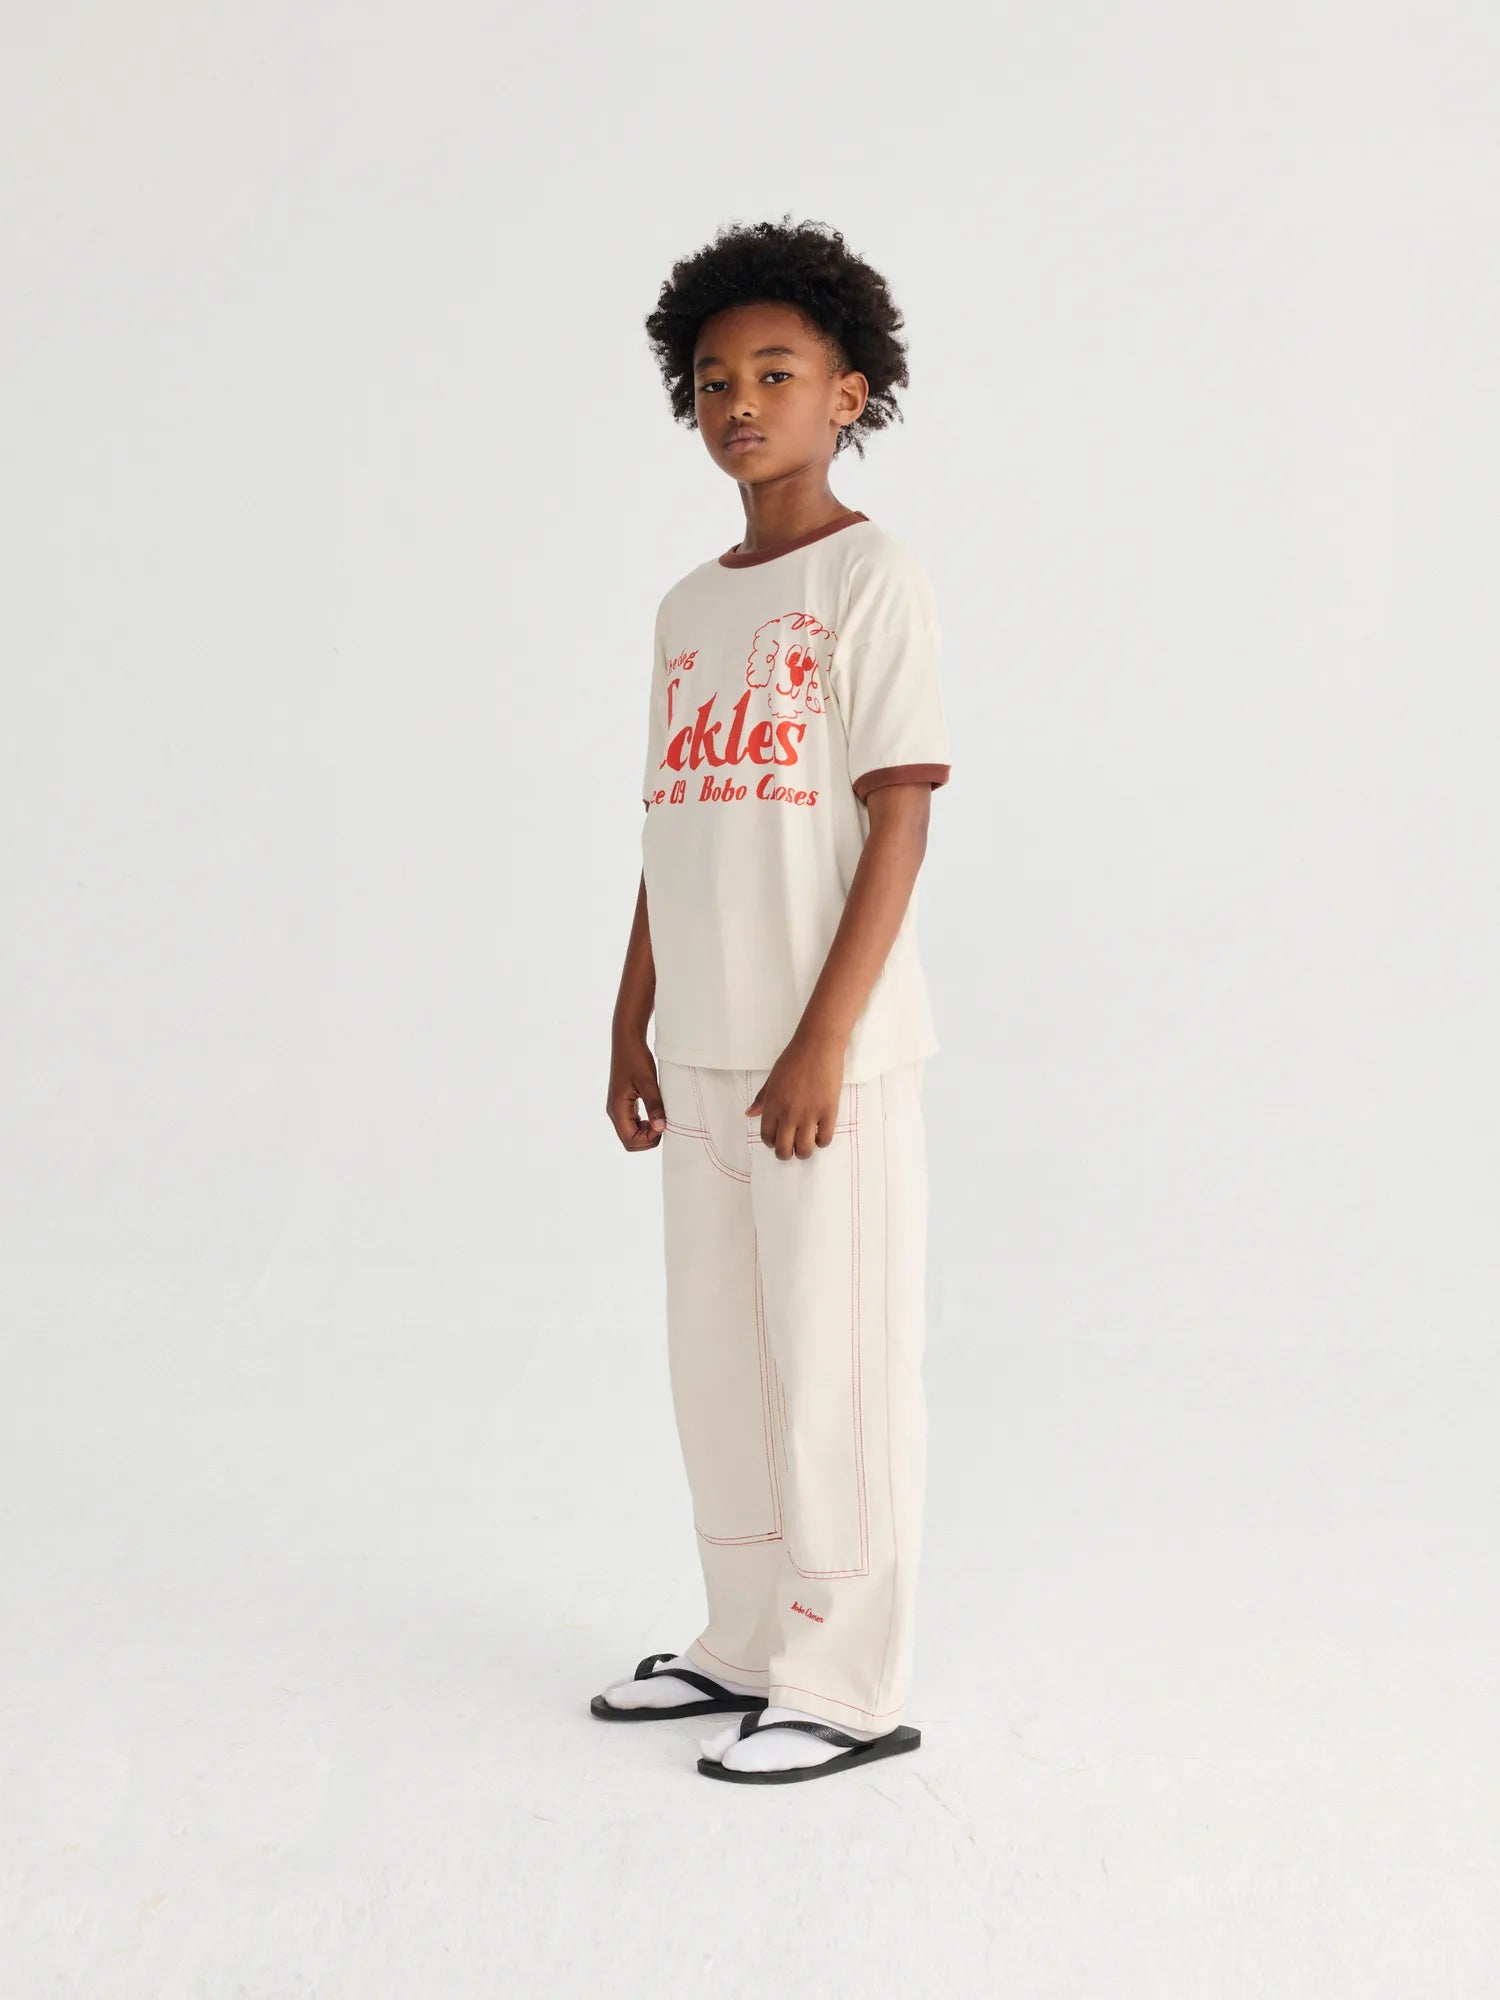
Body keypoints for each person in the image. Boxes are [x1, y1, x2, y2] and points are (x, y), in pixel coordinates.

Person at [598, 217, 952, 1785]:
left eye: (776, 373)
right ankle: (744, 1640)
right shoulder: (689, 607)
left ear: (849, 393)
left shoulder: (871, 576)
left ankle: (846, 1681)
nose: (738, 401)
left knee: (836, 1369)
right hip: (702, 1049)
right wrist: (632, 1017)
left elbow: (900, 819)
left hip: (827, 1064)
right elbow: (673, 826)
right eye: (712, 379)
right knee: (722, 1368)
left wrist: (822, 1039)